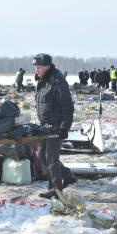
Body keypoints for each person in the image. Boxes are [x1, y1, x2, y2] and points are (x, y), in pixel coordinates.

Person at [32, 53, 76, 200]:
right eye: (36, 67)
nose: (37, 70)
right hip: (45, 126)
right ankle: (67, 175)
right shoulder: (42, 80)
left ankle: (55, 190)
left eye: (39, 67)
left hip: (55, 127)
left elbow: (67, 106)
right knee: (41, 156)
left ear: (48, 66)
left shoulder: (57, 81)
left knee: (51, 159)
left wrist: (64, 127)